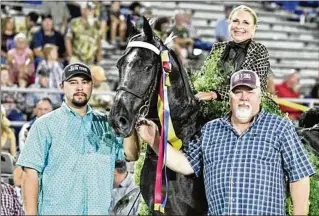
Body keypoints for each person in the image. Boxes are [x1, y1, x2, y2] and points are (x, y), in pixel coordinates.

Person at [135, 70, 315, 215]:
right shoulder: (210, 130)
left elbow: (299, 176)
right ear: (229, 98)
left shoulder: (280, 127)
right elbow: (185, 164)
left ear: (259, 96)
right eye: (238, 92)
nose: (244, 97)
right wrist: (155, 140)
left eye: (250, 91)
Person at [17, 63, 123, 215]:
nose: (79, 87)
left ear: (92, 86)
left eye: (85, 82)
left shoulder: (107, 124)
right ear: (62, 86)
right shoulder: (45, 125)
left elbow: (130, 154)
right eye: (73, 82)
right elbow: (30, 174)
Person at [196, 5, 271, 102]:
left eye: (246, 22)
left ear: (253, 29)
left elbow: (251, 85)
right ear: (229, 24)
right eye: (235, 21)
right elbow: (203, 76)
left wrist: (216, 94)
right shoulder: (217, 47)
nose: (239, 26)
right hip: (210, 104)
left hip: (246, 107)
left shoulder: (259, 50)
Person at [65, 1, 102, 65]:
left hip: (91, 60)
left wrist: (99, 56)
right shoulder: (74, 22)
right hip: (76, 58)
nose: (90, 11)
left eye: (92, 9)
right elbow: (67, 39)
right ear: (82, 10)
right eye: (88, 9)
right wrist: (71, 56)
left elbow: (98, 41)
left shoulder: (97, 24)